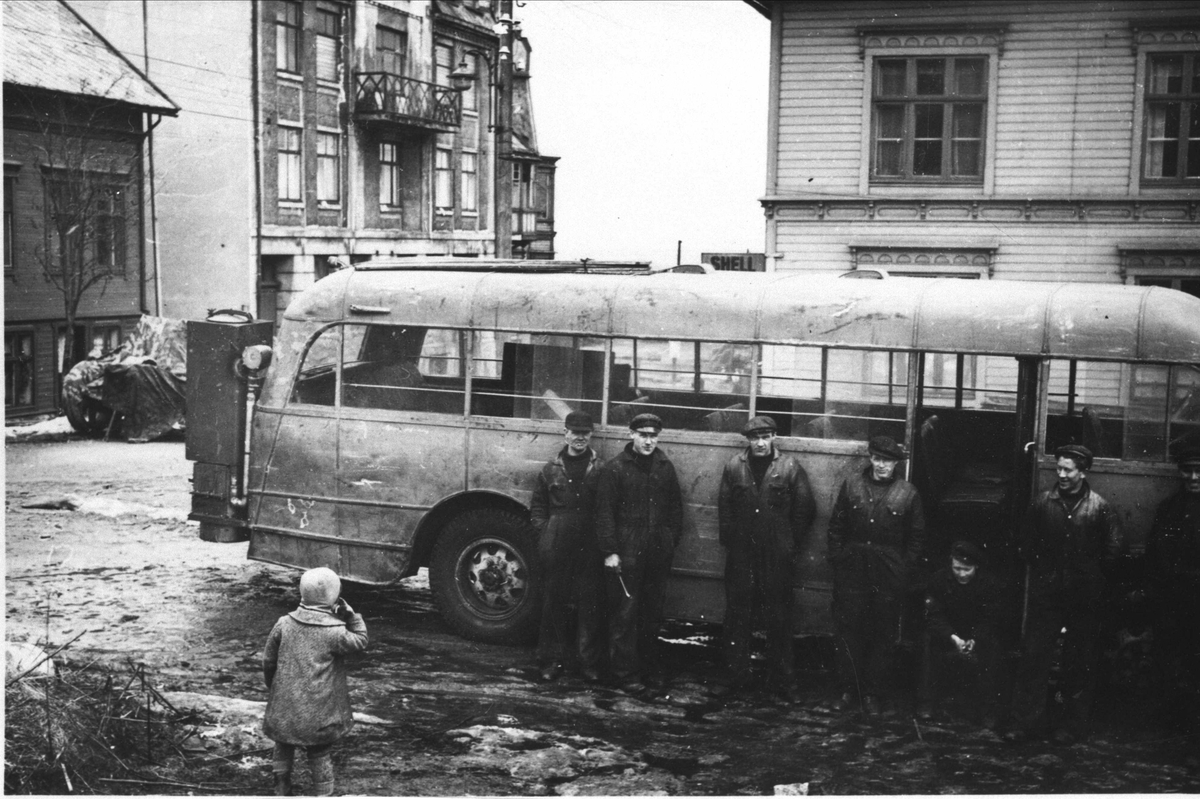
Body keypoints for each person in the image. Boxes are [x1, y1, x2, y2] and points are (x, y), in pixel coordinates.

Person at [1006, 443, 1123, 744]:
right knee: (1034, 656)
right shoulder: (1042, 503)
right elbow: (1026, 545)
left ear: (1083, 472)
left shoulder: (1100, 508)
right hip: (1048, 594)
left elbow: (1113, 552)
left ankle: (1071, 726)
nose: (1061, 474)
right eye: (1058, 468)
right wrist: (1048, 572)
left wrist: (1090, 577)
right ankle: (1024, 723)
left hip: (1084, 597)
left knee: (1079, 660)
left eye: (1068, 469)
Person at [717, 415, 816, 701]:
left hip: (777, 555)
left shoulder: (789, 467)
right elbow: (725, 507)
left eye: (766, 437)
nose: (760, 443)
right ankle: (736, 677)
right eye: (754, 438)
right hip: (742, 553)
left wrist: (787, 542)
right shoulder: (735, 466)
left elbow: (805, 509)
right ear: (747, 440)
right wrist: (733, 543)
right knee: (737, 615)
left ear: (774, 438)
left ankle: (783, 681)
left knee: (779, 617)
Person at [827, 435, 926, 716]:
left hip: (888, 573)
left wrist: (902, 569)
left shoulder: (908, 493)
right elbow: (837, 525)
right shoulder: (852, 485)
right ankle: (848, 689)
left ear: (897, 464)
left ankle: (873, 693)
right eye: (878, 459)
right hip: (853, 569)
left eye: (889, 461)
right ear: (870, 458)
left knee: (882, 633)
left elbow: (917, 538)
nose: (882, 465)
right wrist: (839, 558)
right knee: (849, 630)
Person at [594, 412, 684, 695]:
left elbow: (675, 509)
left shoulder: (664, 466)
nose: (648, 441)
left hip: (657, 550)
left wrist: (669, 540)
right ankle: (624, 673)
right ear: (631, 434)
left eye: (653, 436)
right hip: (627, 551)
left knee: (651, 613)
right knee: (625, 613)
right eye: (643, 435)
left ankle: (648, 669)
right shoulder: (615, 469)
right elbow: (604, 513)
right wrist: (610, 551)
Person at [262, 567, 369, 796]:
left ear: (301, 594)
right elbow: (361, 640)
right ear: (335, 598)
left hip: (285, 705)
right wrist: (351, 616)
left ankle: (281, 786)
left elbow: (268, 661)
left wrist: (274, 688)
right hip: (320, 713)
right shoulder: (336, 632)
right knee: (319, 753)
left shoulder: (284, 624)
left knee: (283, 743)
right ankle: (324, 793)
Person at [529, 410, 603, 682]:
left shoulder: (601, 468)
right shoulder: (551, 468)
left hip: (590, 542)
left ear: (591, 435)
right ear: (565, 433)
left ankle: (587, 664)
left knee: (590, 604)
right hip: (558, 541)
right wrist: (546, 532)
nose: (580, 437)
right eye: (575, 432)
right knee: (553, 602)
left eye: (585, 433)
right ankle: (549, 661)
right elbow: (538, 506)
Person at [1143, 444, 1200, 764]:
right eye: (1188, 471)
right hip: (1172, 603)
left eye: (1199, 471)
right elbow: (1155, 556)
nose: (1193, 477)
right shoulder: (1169, 509)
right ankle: (1169, 737)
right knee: (1168, 665)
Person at [917, 540, 1006, 728]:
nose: (961, 574)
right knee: (927, 641)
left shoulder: (990, 584)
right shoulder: (938, 580)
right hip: (948, 635)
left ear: (976, 567)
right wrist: (953, 638)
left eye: (967, 569)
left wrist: (976, 639)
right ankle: (927, 703)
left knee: (994, 648)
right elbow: (933, 615)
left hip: (976, 636)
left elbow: (991, 618)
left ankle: (988, 710)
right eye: (957, 568)